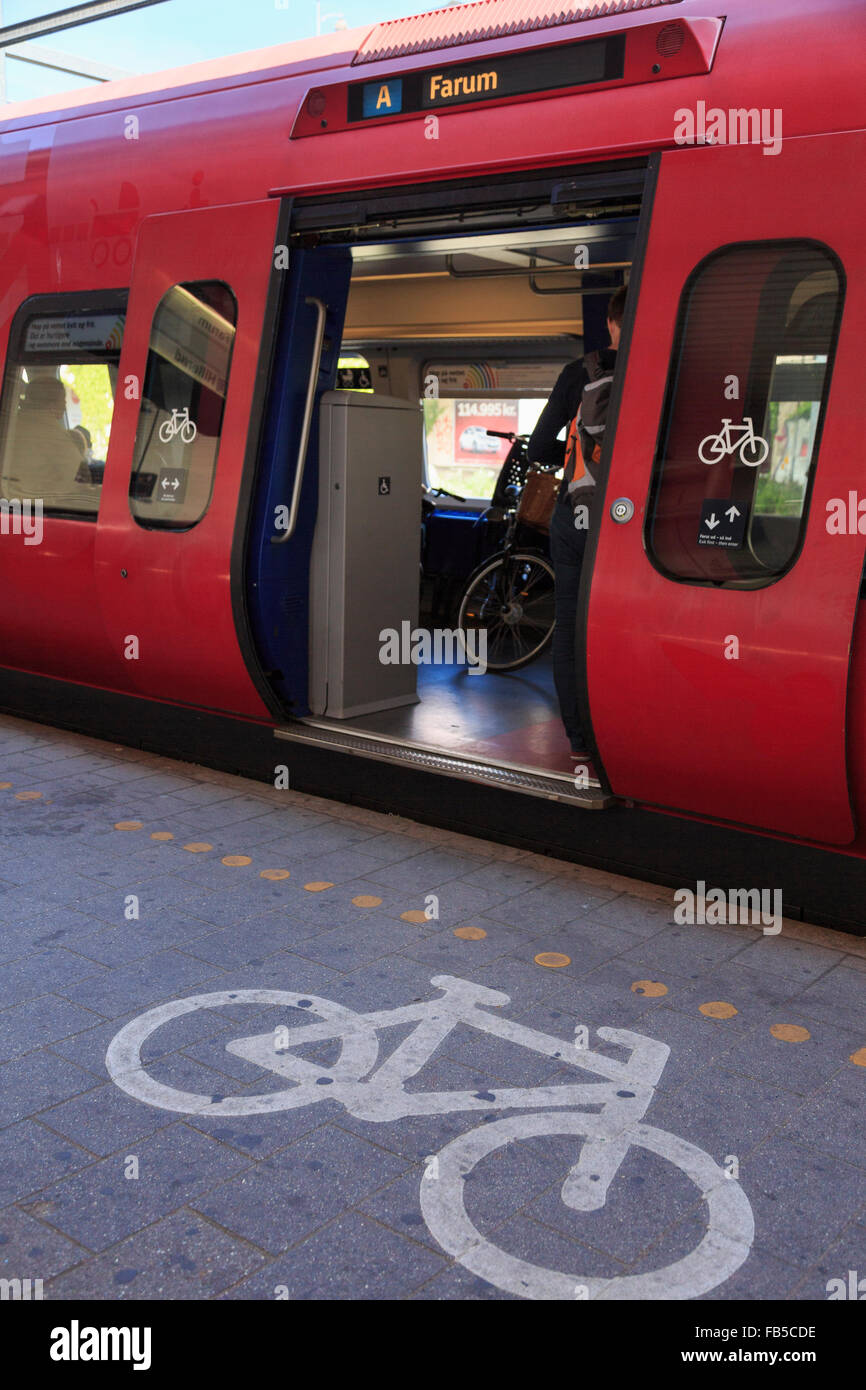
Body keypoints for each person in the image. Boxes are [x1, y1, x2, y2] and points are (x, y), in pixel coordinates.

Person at [527, 286, 626, 757]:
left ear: (611, 322)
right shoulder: (660, 368)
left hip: (576, 515)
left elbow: (539, 448)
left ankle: (581, 741)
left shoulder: (577, 371)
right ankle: (625, 731)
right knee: (627, 625)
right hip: (631, 523)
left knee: (569, 627)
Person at [4, 376, 85, 509]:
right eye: (63, 401)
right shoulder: (55, 435)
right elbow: (77, 478)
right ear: (52, 404)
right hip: (33, 510)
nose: (65, 407)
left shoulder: (9, 424)